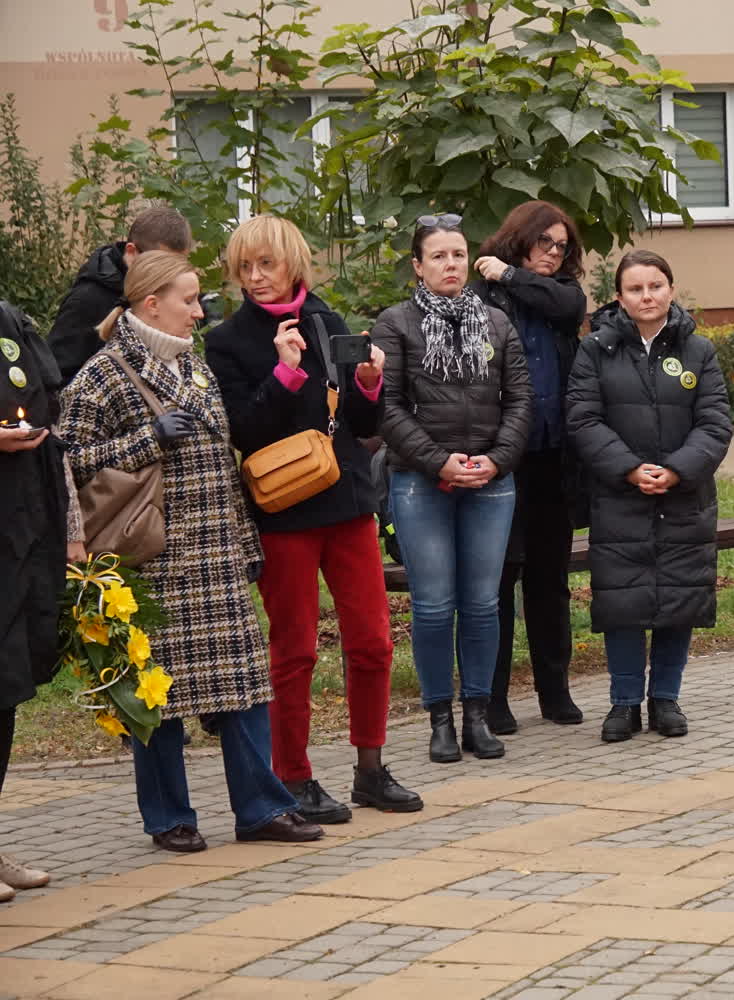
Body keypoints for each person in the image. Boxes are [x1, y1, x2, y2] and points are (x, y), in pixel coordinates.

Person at [60, 250, 322, 851]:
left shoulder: (193, 365)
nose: (199, 311)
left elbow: (222, 463)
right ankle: (168, 817)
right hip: (152, 559)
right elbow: (66, 462)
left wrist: (245, 540)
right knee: (159, 695)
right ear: (152, 304)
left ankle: (262, 809)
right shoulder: (103, 374)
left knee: (244, 686)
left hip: (217, 555)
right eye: (189, 300)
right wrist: (144, 440)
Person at [205, 215, 421, 822]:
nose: (254, 277)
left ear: (292, 263)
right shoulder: (227, 341)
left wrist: (371, 385)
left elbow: (361, 424)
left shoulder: (327, 321)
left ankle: (370, 769)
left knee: (373, 642)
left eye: (265, 264)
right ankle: (293, 778)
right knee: (294, 648)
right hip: (283, 510)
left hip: (346, 502)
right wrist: (283, 372)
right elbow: (245, 431)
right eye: (244, 267)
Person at [374, 214, 532, 763]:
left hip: (490, 480)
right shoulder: (395, 323)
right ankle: (439, 719)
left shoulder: (496, 322)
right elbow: (387, 407)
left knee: (483, 604)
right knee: (435, 605)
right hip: (421, 482)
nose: (451, 265)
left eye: (459, 255)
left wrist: (496, 460)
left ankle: (477, 717)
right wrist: (439, 462)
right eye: (438, 256)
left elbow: (520, 400)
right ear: (418, 266)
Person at [566, 250, 732, 743]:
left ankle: (665, 699)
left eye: (655, 286)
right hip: (620, 498)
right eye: (635, 289)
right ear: (619, 297)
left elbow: (715, 423)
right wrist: (630, 469)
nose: (647, 296)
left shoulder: (699, 351)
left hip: (684, 498)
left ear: (671, 290)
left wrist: (678, 470)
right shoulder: (594, 350)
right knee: (623, 602)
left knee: (679, 598)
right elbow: (583, 419)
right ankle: (623, 703)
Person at [471, 201, 589, 733]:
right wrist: (503, 278)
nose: (554, 253)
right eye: (545, 242)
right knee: (498, 579)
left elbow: (570, 305)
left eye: (562, 246)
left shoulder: (557, 294)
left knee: (549, 579)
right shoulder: (483, 297)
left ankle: (554, 690)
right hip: (503, 460)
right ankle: (492, 698)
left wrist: (512, 274)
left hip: (553, 459)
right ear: (520, 237)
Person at [0, 299, 80, 898]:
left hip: (21, 534)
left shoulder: (11, 323)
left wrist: (70, 528)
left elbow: (56, 427)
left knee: (6, 689)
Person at [48, 205, 192, 386]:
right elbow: (56, 377)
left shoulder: (161, 292)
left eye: (176, 266)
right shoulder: (88, 300)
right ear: (131, 252)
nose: (169, 275)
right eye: (159, 264)